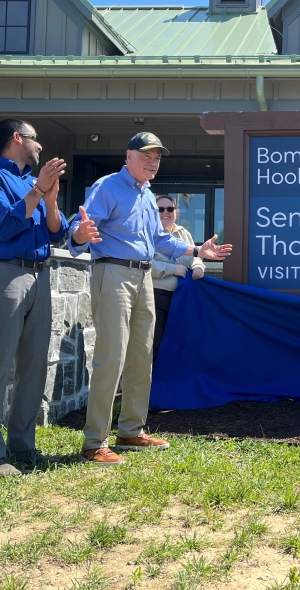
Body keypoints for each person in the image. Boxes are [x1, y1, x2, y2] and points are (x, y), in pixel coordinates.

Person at [69, 132, 232, 465]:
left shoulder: (146, 195)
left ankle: (130, 430)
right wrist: (79, 234)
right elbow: (81, 224)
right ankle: (94, 441)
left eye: (157, 157)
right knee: (111, 357)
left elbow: (160, 239)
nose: (153, 161)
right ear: (128, 156)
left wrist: (198, 249)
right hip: (112, 272)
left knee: (141, 357)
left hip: (143, 276)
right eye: (146, 155)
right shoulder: (107, 186)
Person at [0, 118, 68, 476]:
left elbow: (57, 234)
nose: (40, 145)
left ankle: (23, 447)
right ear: (16, 139)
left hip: (40, 276)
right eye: (34, 139)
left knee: (34, 365)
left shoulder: (34, 183)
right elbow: (6, 226)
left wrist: (51, 200)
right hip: (5, 274)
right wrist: (38, 191)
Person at [152, 195, 205, 364]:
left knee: (180, 343)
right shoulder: (147, 234)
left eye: (170, 209)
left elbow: (195, 256)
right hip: (155, 296)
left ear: (176, 212)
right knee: (154, 343)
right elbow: (143, 263)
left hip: (182, 298)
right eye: (160, 209)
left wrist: (198, 267)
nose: (165, 212)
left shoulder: (184, 233)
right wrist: (172, 269)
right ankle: (151, 386)